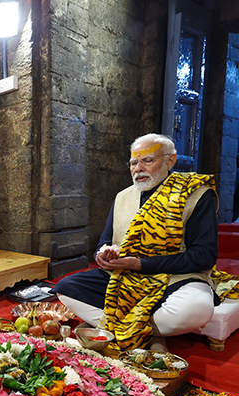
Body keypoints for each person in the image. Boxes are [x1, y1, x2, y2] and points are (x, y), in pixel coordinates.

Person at [53, 133, 218, 351]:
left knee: (194, 309)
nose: (138, 168)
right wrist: (103, 256)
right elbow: (104, 242)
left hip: (175, 278)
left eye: (147, 160)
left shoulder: (195, 194)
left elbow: (203, 257)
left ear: (170, 160)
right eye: (133, 163)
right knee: (65, 288)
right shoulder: (123, 197)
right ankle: (144, 331)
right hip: (125, 278)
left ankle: (114, 326)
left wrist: (140, 264)